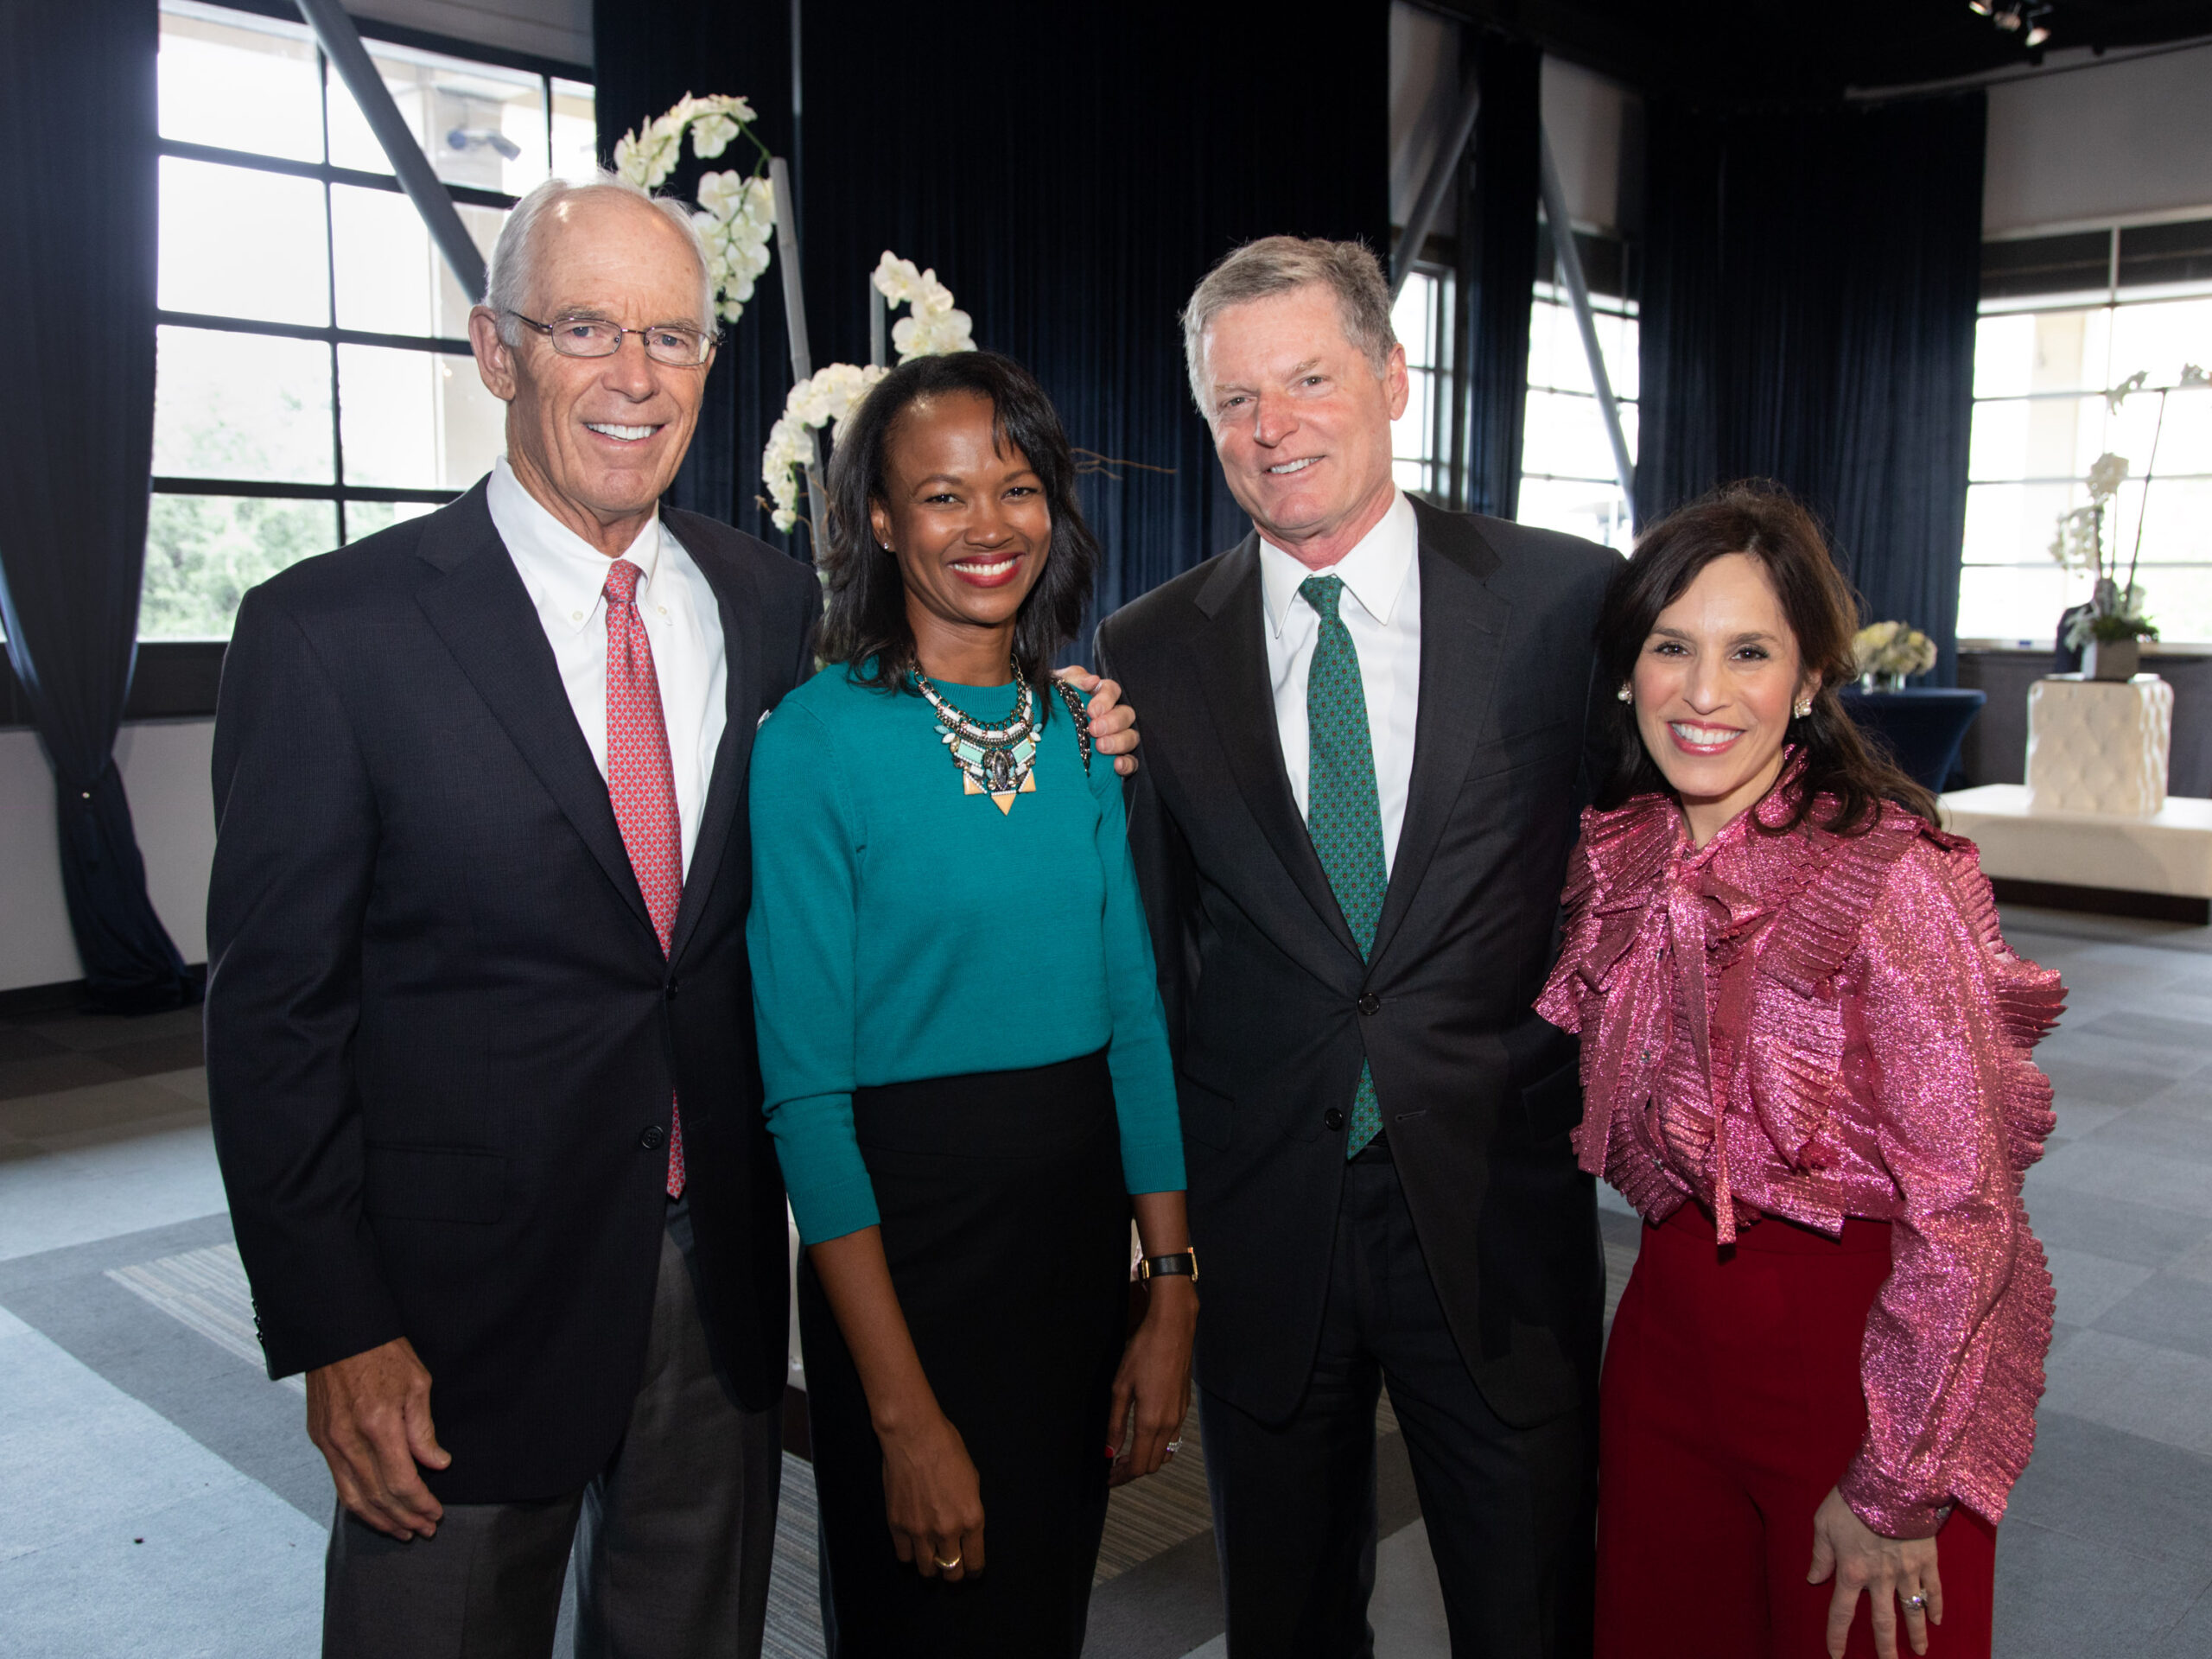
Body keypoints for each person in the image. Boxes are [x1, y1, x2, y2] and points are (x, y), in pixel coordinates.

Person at [204, 173, 1137, 1658]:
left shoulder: (766, 604)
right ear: (496, 350)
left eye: (674, 336)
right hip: (455, 1321)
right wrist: (337, 1328)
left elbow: (914, 749)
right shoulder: (331, 635)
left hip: (723, 1298)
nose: (636, 375)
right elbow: (272, 1020)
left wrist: (1071, 716)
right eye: (587, 328)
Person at [1095, 235, 1616, 1656]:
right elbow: (1154, 960)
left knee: (1529, 1612)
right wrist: (1158, 1247)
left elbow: (1658, 864)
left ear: (1392, 378)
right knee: (1287, 1620)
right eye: (1236, 400)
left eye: (1309, 380)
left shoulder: (1564, 603)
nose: (1273, 427)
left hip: (1498, 1211)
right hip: (1264, 1224)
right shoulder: (1149, 650)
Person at [1535, 484, 2060, 1659]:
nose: (1703, 693)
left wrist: (1899, 1477)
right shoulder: (1619, 858)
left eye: (1750, 652)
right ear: (1626, 672)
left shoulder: (1888, 876)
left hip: (1859, 1358)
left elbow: (1969, 1210)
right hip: (1663, 1342)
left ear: (1811, 680)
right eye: (1671, 647)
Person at [746, 350, 1195, 1658]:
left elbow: (1134, 1024)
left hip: (1073, 1258)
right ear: (882, 523)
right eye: (942, 496)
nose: (987, 525)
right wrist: (901, 1414)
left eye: (1016, 487)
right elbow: (807, 1102)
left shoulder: (1081, 733)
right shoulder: (814, 741)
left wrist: (1171, 1290)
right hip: (905, 1262)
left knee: (1043, 1613)